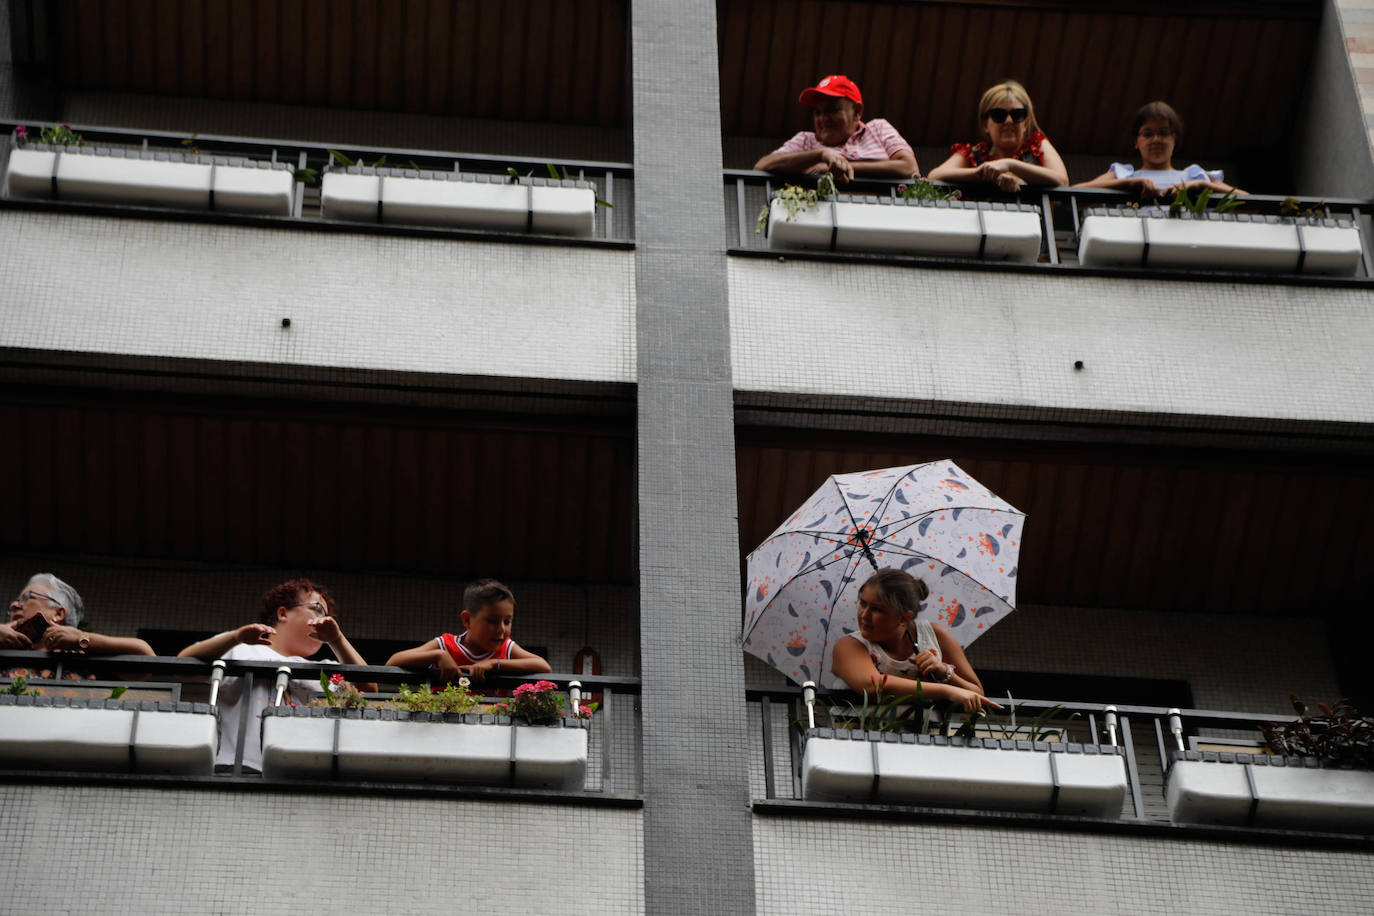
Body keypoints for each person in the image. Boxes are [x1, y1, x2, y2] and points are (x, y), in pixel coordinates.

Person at [178, 578, 371, 774]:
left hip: (299, 772)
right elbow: (183, 665)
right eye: (317, 609)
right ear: (283, 613)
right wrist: (235, 637)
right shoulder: (242, 650)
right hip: (235, 767)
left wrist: (336, 639)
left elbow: (368, 688)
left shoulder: (323, 670)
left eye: (328, 616)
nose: (325, 619)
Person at [830, 568, 998, 714]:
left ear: (904, 618)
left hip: (925, 743)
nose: (864, 615)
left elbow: (977, 694)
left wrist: (945, 673)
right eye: (863, 603)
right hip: (856, 741)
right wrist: (946, 690)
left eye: (876, 609)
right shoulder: (849, 645)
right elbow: (873, 687)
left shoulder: (936, 636)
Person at [753, 74, 919, 184]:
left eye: (832, 110)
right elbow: (761, 166)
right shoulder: (805, 140)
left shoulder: (878, 128)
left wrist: (837, 167)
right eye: (817, 112)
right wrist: (821, 154)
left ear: (857, 111)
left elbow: (909, 168)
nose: (823, 118)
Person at [387, 578, 551, 685]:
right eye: (492, 621)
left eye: (507, 621)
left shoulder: (506, 648)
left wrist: (493, 664)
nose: (501, 629)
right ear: (467, 620)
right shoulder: (445, 645)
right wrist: (439, 655)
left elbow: (544, 666)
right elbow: (393, 662)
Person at [1076, 101, 1244, 200]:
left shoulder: (1194, 176)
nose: (1156, 140)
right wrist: (1128, 184)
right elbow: (1074, 194)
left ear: (1175, 139)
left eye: (1163, 133)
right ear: (1136, 141)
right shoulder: (1123, 175)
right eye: (1148, 134)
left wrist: (1201, 185)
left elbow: (1250, 202)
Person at [2, 573, 153, 681]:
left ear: (59, 613)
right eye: (16, 601)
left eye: (28, 598)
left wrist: (82, 638)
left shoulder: (81, 654)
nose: (14, 605)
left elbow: (146, 658)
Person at [927, 79, 1068, 191]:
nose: (1009, 121)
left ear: (1026, 123)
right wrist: (984, 174)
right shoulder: (974, 154)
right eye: (998, 115)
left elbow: (1062, 180)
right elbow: (934, 176)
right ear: (985, 125)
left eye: (1017, 115)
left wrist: (1010, 165)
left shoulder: (1037, 145)